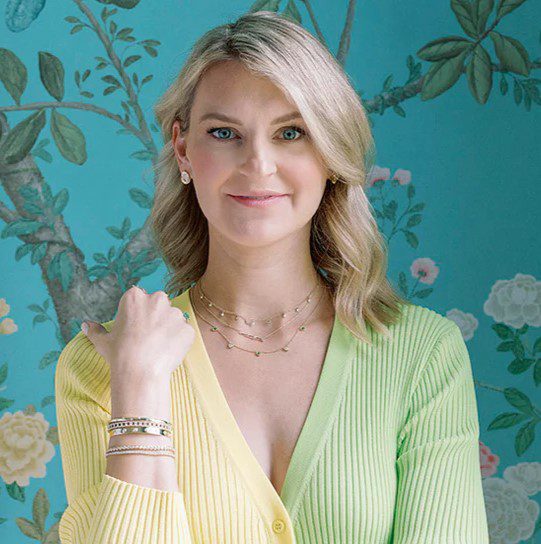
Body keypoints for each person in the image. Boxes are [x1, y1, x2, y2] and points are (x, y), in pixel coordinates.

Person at [55, 10, 490, 544]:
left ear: (330, 151)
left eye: (291, 132)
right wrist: (139, 389)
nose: (258, 164)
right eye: (224, 133)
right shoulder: (101, 367)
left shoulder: (423, 355)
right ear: (183, 148)